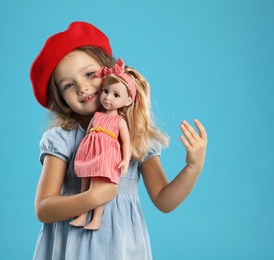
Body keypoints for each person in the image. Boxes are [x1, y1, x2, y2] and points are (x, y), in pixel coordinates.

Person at [30, 21, 207, 260]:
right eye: (69, 85)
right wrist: (91, 198)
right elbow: (43, 208)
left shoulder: (134, 137)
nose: (83, 87)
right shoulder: (62, 139)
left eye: (90, 74)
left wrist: (192, 167)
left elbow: (164, 201)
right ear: (61, 98)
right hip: (71, 250)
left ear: (111, 74)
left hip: (120, 249)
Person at [70, 58, 135, 230]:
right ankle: (82, 215)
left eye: (116, 95)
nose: (107, 97)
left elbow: (126, 142)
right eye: (105, 91)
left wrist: (125, 160)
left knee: (98, 187)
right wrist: (84, 148)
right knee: (85, 183)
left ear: (128, 101)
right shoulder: (97, 116)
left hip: (107, 155)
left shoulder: (119, 121)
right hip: (89, 152)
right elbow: (89, 132)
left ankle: (96, 218)